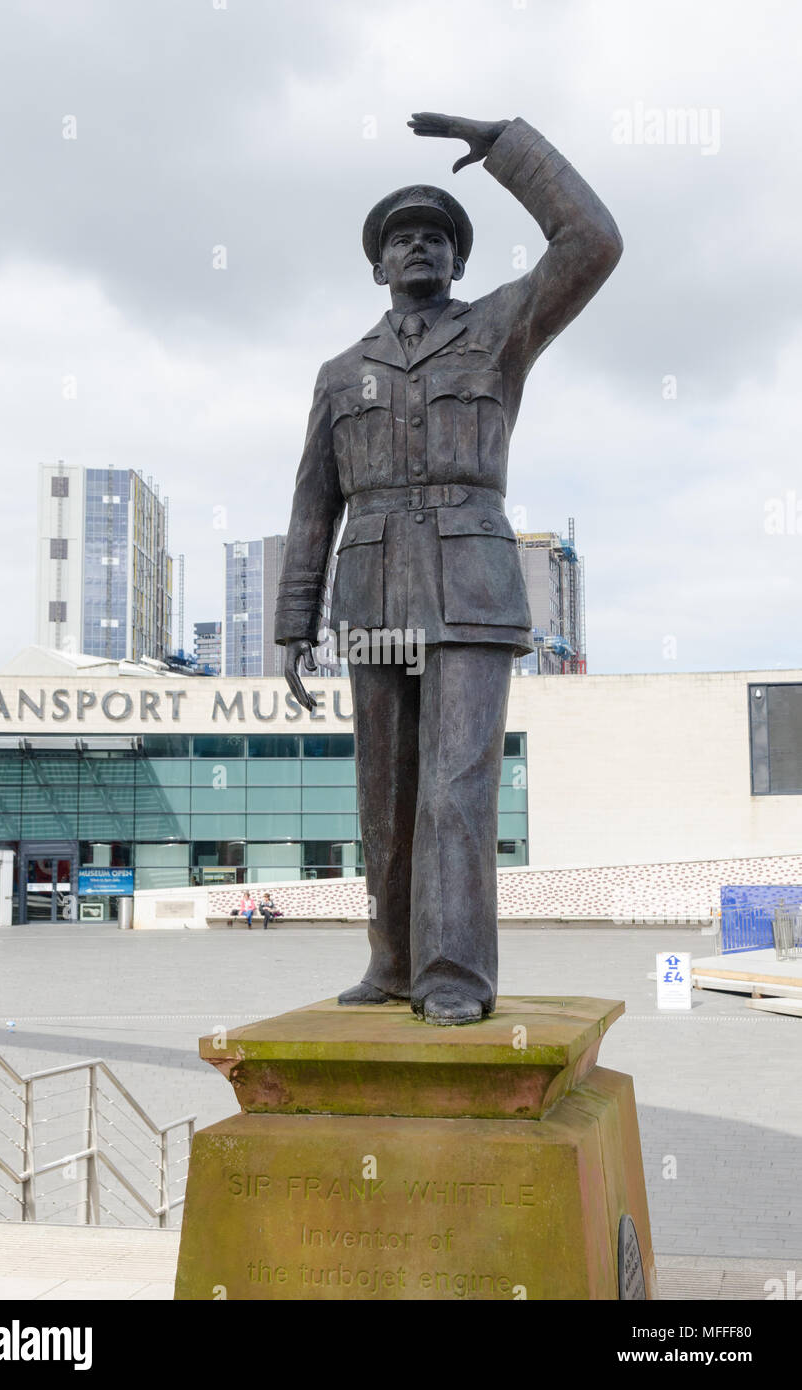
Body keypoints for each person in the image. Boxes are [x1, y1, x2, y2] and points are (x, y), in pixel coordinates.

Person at [275, 110, 622, 1025]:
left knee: (458, 787)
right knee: (384, 795)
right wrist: (289, 625)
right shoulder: (339, 372)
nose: (418, 246)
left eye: (435, 235)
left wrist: (507, 146)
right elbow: (314, 500)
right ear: (378, 265)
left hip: (471, 589)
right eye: (401, 238)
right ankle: (391, 966)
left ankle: (453, 978)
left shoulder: (501, 327)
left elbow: (592, 240)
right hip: (374, 590)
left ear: (457, 262)